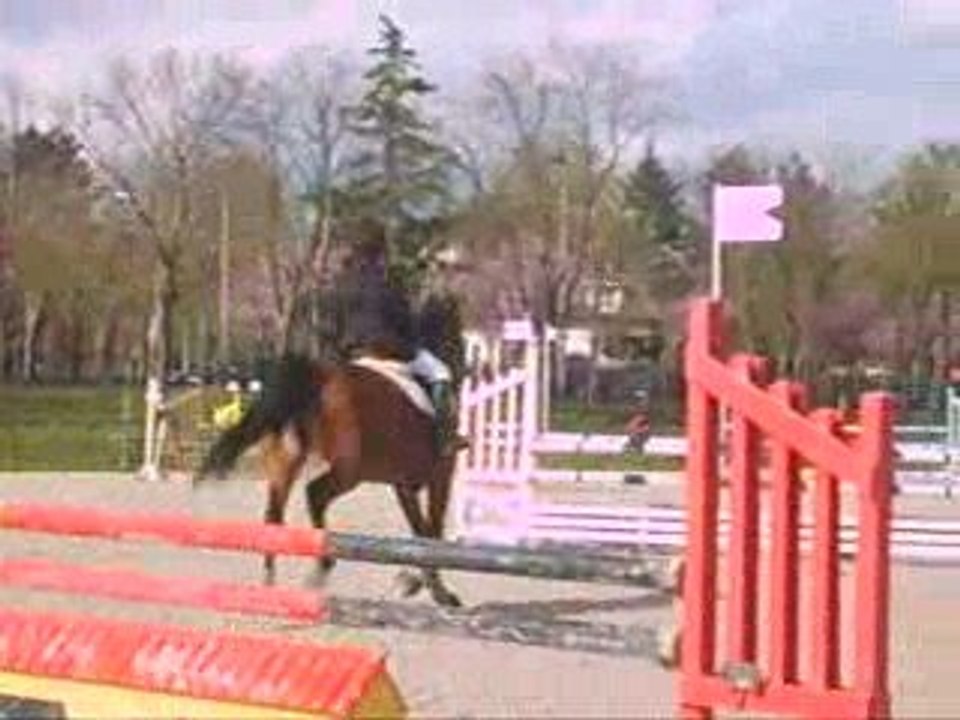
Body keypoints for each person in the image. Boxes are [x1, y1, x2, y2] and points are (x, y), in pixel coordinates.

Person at [332, 219, 465, 457]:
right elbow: (403, 317)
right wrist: (412, 336)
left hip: (351, 351)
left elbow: (335, 318)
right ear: (381, 249)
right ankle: (445, 436)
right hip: (387, 349)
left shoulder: (343, 280)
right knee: (441, 374)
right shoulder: (388, 280)